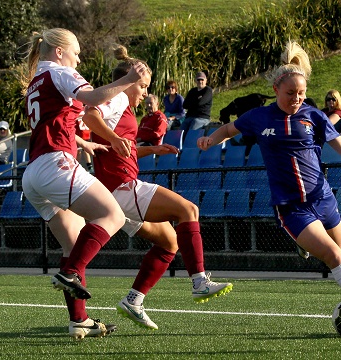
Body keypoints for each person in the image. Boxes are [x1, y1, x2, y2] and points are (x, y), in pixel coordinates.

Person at [197, 41, 341, 329]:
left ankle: (304, 244)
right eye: (290, 93)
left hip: (322, 197)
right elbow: (228, 128)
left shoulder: (314, 116)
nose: (297, 98)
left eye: (302, 93)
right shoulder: (260, 116)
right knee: (334, 256)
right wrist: (211, 139)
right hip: (292, 206)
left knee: (340, 249)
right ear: (275, 90)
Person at [81, 45, 233, 331]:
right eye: (144, 87)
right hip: (122, 189)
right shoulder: (117, 101)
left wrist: (152, 149)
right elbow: (90, 116)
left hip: (116, 193)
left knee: (169, 242)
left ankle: (133, 300)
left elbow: (119, 148)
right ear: (129, 82)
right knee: (189, 209)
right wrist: (115, 138)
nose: (146, 94)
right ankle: (200, 282)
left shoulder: (122, 107)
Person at [20, 28, 147, 339]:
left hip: (33, 173)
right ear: (60, 52)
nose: (78, 59)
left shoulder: (37, 80)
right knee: (113, 215)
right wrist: (128, 79)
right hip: (55, 165)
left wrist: (83, 143)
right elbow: (91, 98)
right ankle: (69, 273)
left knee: (73, 244)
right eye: (76, 52)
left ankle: (79, 320)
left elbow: (53, 122)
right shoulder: (61, 72)